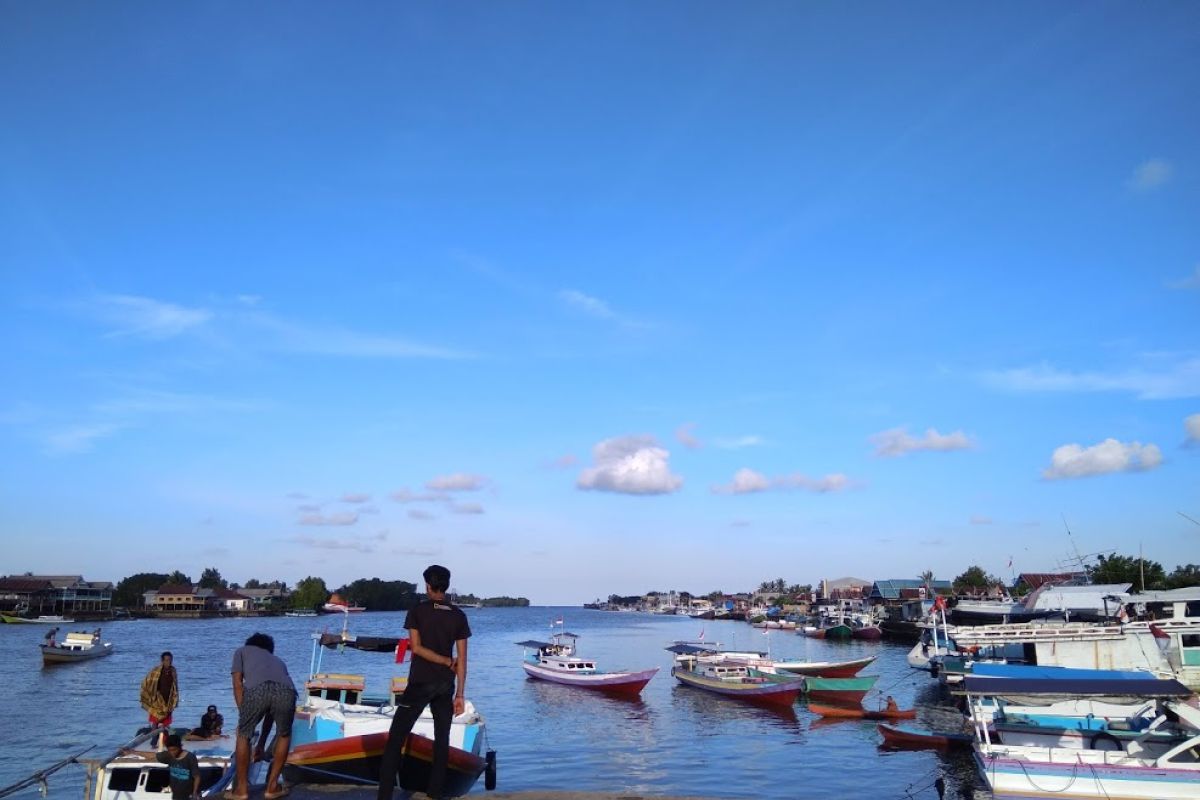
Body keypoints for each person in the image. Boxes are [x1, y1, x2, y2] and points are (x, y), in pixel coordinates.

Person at [376, 564, 471, 800]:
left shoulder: (417, 611)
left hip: (420, 682)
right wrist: (460, 694)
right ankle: (435, 793)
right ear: (446, 587)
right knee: (442, 740)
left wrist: (443, 660)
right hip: (445, 686)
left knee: (396, 738)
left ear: (428, 586)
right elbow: (463, 659)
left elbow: (416, 648)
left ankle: (384, 796)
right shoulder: (458, 615)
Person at [228, 632, 296, 800]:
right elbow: (271, 709)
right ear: (269, 649)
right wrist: (262, 743)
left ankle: (242, 790)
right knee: (284, 734)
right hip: (286, 692)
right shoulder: (279, 661)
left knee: (243, 735)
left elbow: (238, 684)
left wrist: (244, 718)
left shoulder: (242, 651)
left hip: (257, 690)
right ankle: (272, 787)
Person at [124, 734, 200, 800]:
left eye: (174, 750)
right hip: (177, 795)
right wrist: (132, 752)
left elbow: (197, 777)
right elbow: (153, 756)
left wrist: (195, 793)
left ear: (180, 746)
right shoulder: (168, 755)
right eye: (170, 750)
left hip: (189, 795)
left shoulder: (190, 757)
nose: (172, 753)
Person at [140, 652, 180, 749]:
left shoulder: (173, 671)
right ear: (162, 661)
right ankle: (154, 741)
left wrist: (175, 698)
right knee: (155, 720)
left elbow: (175, 686)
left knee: (165, 721)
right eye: (166, 660)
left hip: (168, 699)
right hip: (157, 699)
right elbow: (146, 682)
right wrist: (151, 695)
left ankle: (164, 741)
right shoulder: (156, 671)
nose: (168, 662)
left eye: (170, 660)